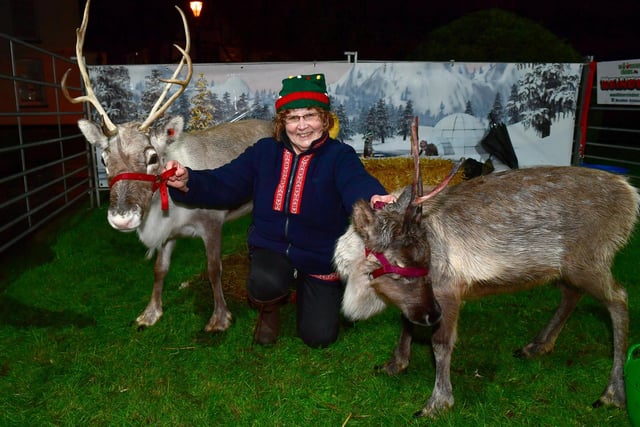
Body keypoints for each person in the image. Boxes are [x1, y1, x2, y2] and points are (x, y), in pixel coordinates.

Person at [164, 73, 396, 348]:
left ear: (324, 118)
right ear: (282, 121)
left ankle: (312, 293)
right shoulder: (264, 152)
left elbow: (355, 183)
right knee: (264, 281)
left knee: (319, 337)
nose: (301, 126)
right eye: (292, 117)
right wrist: (189, 180)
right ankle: (269, 311)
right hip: (271, 247)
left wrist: (375, 198)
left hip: (319, 254)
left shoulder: (339, 156)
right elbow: (225, 182)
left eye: (309, 115)